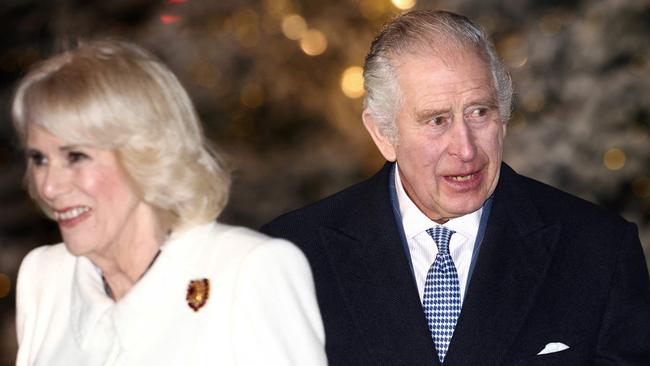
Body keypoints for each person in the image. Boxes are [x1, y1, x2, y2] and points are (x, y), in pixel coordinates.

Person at [262, 9, 650, 366]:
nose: (465, 149)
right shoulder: (291, 257)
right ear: (383, 132)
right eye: (436, 120)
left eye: (479, 112)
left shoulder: (599, 250)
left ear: (503, 115)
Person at [12, 40, 327, 365]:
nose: (49, 186)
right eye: (39, 159)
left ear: (144, 153)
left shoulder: (248, 270)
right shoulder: (45, 276)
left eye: (76, 156)